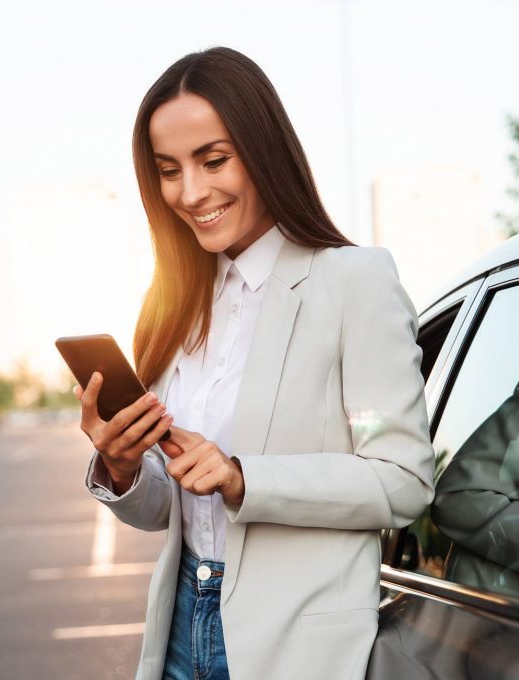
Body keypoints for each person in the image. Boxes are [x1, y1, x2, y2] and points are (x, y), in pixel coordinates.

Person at [74, 47, 433, 680]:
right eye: (168, 169)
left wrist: (245, 478)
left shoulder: (353, 283)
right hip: (183, 627)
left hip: (299, 645)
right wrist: (124, 467)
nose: (191, 192)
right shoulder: (173, 308)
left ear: (263, 149)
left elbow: (400, 478)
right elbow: (170, 509)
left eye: (213, 160)